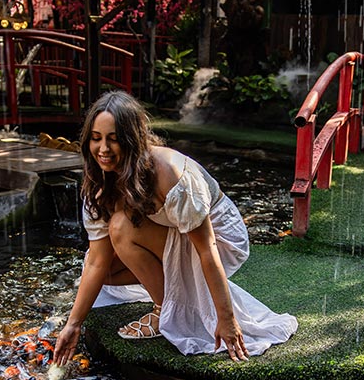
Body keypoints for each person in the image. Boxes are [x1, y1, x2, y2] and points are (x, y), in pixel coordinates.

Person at [52, 90, 297, 365]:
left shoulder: (168, 171)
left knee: (120, 226)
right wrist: (73, 324)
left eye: (114, 139)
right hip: (168, 229)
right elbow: (97, 262)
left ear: (132, 140)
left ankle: (164, 310)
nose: (103, 149)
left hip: (220, 236)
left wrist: (225, 319)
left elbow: (207, 248)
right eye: (96, 139)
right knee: (104, 268)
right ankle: (169, 297)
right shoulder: (99, 180)